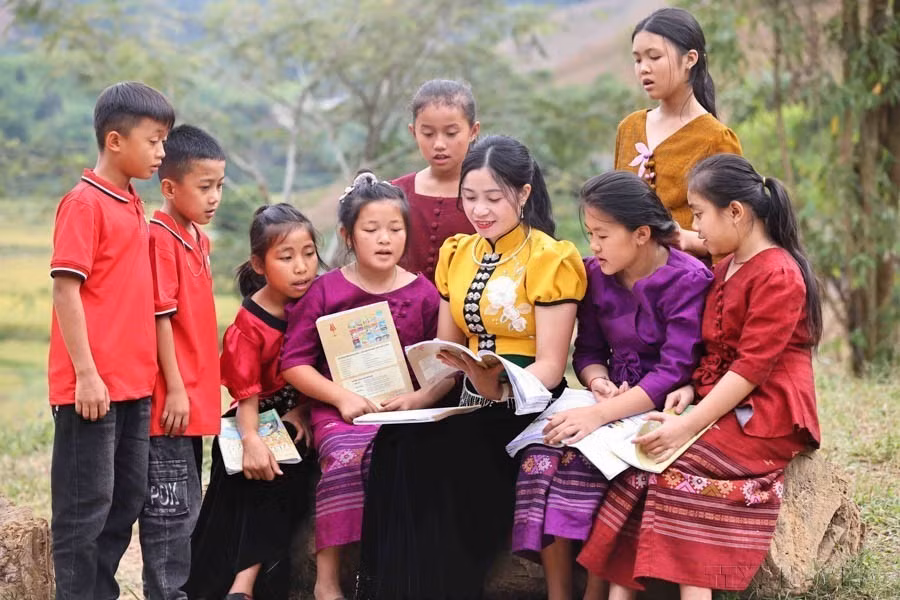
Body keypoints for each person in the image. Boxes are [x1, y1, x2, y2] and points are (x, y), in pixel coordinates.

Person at [578, 153, 823, 600]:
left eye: (699, 213)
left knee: (672, 473)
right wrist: (690, 388)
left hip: (766, 416)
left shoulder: (779, 274)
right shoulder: (726, 266)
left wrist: (687, 426)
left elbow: (749, 370)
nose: (694, 226)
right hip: (721, 405)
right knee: (637, 468)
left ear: (736, 212)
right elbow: (716, 350)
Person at [358, 135, 588, 600]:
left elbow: (550, 365)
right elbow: (449, 351)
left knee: (446, 457)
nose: (479, 210)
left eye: (493, 198)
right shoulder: (458, 253)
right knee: (394, 443)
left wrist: (499, 386)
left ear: (523, 194)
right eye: (469, 197)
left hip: (526, 404)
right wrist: (420, 399)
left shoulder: (551, 258)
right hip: (465, 398)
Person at [512, 171, 712, 600]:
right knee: (543, 453)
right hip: (609, 402)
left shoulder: (688, 279)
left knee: (583, 462)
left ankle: (595, 591)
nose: (594, 246)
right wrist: (599, 381)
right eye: (589, 234)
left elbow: (673, 371)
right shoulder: (595, 275)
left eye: (602, 235)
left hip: (661, 406)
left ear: (641, 234)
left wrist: (597, 414)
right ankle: (558, 593)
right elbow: (587, 352)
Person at [280, 172, 445, 600]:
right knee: (346, 456)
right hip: (342, 412)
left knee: (417, 461)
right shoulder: (325, 290)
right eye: (371, 229)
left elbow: (439, 366)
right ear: (347, 235)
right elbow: (294, 363)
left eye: (395, 229)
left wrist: (418, 399)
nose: (384, 239)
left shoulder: (425, 294)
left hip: (405, 410)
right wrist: (341, 397)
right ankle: (327, 580)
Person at [48, 81, 174, 600]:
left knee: (124, 502)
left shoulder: (132, 204)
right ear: (116, 140)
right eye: (154, 140)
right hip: (91, 388)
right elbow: (65, 289)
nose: (162, 152)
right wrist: (86, 374)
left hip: (133, 385)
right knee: (85, 510)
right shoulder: (84, 203)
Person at [186, 203, 320, 600]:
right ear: (259, 265)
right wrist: (251, 440)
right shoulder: (250, 324)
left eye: (309, 254)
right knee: (251, 470)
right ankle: (239, 585)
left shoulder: (320, 301)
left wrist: (303, 410)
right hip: (255, 415)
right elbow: (246, 395)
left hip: (306, 412)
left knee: (281, 466)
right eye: (286, 257)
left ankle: (243, 584)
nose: (301, 267)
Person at [137, 124, 226, 599]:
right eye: (204, 187)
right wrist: (174, 387)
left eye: (219, 186)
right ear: (169, 187)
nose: (215, 198)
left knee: (188, 509)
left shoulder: (197, 238)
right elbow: (160, 319)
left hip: (192, 403)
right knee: (170, 518)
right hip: (169, 407)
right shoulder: (160, 237)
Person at [615, 7, 742, 258]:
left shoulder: (716, 138)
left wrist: (684, 238)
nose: (643, 69)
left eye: (654, 57)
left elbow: (736, 233)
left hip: (688, 278)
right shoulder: (629, 128)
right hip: (627, 276)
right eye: (638, 60)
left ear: (690, 59)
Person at [393, 79, 480, 281]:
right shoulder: (394, 194)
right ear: (413, 132)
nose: (439, 144)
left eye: (451, 133)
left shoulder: (493, 196)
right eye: (428, 134)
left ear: (473, 131)